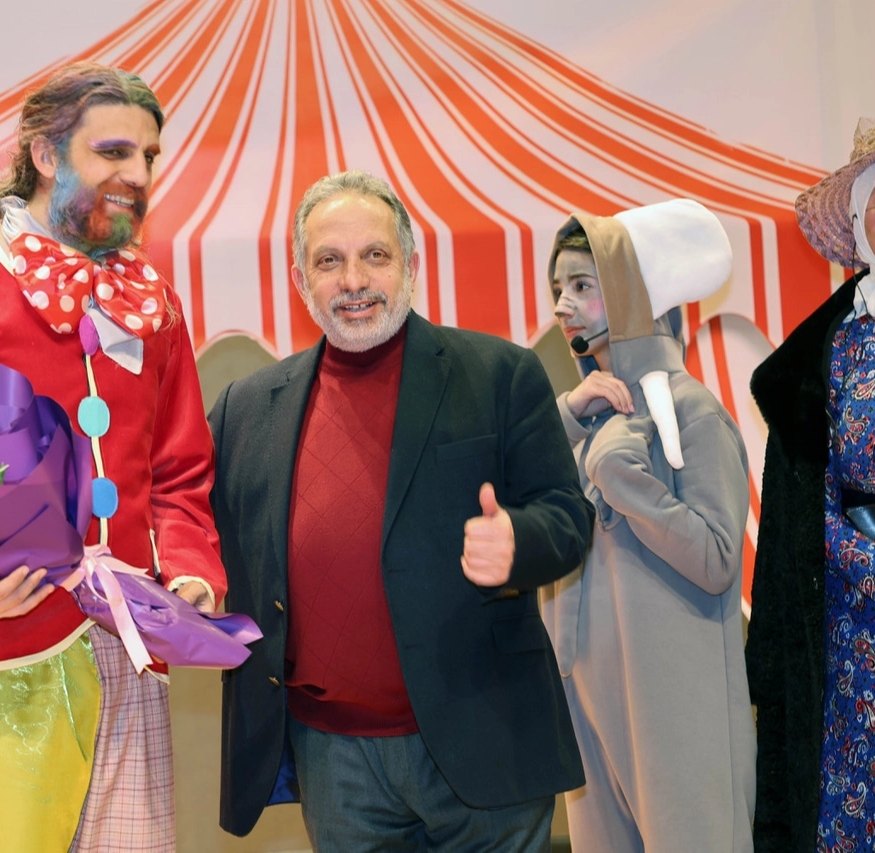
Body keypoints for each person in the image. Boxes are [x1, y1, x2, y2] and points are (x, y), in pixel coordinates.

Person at [0, 62, 226, 853]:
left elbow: (179, 470)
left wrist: (191, 572)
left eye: (147, 157)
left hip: (131, 648)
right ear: (44, 154)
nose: (137, 176)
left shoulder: (153, 302)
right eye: (113, 153)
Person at [209, 170, 592, 852]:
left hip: (484, 735)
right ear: (300, 281)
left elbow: (566, 515)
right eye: (329, 260)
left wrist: (520, 540)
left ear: (410, 267)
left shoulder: (498, 374)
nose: (354, 280)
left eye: (375, 255)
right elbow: (185, 513)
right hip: (334, 759)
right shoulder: (246, 408)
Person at [538, 199, 755, 851]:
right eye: (557, 289)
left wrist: (625, 482)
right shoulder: (586, 419)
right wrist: (567, 419)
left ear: (634, 294)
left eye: (582, 285)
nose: (562, 306)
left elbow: (718, 558)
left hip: (676, 712)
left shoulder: (692, 412)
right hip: (587, 705)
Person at [747, 117, 875, 852]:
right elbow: (805, 499)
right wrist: (859, 559)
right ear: (857, 222)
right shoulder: (830, 348)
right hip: (852, 626)